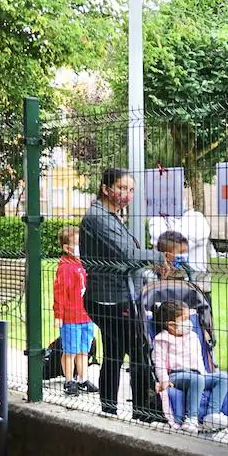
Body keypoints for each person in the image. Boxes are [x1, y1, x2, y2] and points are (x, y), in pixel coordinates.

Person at [80, 167, 156, 419]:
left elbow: (124, 257)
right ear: (105, 188)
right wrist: (159, 257)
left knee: (113, 353)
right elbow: (128, 255)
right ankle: (143, 411)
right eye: (122, 188)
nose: (127, 194)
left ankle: (109, 408)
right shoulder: (99, 217)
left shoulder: (109, 216)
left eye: (131, 189)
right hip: (112, 298)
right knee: (138, 352)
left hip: (113, 295)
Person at [152, 299, 228, 434]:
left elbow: (198, 358)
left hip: (197, 374)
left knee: (222, 377)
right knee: (197, 379)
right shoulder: (162, 339)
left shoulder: (193, 336)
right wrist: (164, 380)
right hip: (176, 376)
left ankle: (212, 415)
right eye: (185, 319)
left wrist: (204, 373)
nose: (189, 322)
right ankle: (191, 418)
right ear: (171, 325)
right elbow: (158, 362)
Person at [52, 226, 97, 397]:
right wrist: (59, 315)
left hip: (87, 315)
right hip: (71, 317)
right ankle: (69, 380)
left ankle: (83, 379)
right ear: (66, 247)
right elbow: (60, 293)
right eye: (77, 243)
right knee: (70, 350)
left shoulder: (84, 263)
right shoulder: (65, 268)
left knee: (84, 349)